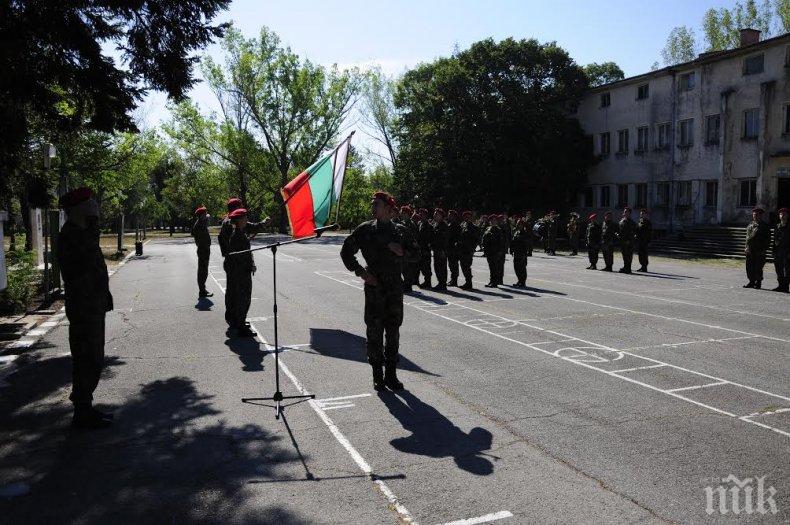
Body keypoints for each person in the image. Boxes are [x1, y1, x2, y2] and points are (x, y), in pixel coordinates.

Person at [340, 191, 419, 391]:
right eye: (373, 204)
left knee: (393, 331)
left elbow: (417, 254)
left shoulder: (401, 232)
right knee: (374, 331)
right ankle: (377, 375)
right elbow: (346, 251)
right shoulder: (365, 230)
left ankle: (391, 375)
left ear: (389, 209)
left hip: (394, 288)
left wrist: (402, 252)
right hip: (374, 287)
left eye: (377, 204)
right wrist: (361, 272)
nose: (373, 207)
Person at [57, 187, 114, 429]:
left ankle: (85, 408)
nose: (94, 205)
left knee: (93, 358)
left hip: (92, 305)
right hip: (84, 307)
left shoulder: (83, 231)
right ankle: (82, 412)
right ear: (78, 208)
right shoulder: (71, 236)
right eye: (89, 203)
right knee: (87, 359)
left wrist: (93, 221)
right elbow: (80, 271)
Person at [218, 198, 270, 331]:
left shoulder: (229, 221)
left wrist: (263, 223)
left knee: (232, 292)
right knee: (240, 294)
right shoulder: (231, 224)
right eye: (240, 206)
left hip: (232, 263)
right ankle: (238, 320)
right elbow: (242, 239)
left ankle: (234, 318)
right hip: (237, 264)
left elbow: (249, 227)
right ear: (236, 208)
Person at [225, 208, 257, 337]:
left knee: (240, 298)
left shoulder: (240, 233)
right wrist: (250, 265)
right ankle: (240, 326)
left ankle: (239, 322)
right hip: (241, 273)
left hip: (241, 271)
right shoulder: (237, 236)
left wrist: (251, 264)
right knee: (242, 299)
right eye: (244, 218)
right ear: (239, 220)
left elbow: (246, 253)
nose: (246, 220)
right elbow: (241, 256)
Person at [744, 207, 771, 289]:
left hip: (759, 249)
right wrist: (746, 247)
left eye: (757, 214)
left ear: (761, 215)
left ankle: (758, 282)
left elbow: (768, 239)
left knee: (758, 267)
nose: (755, 216)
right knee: (749, 266)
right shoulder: (750, 225)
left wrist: (764, 249)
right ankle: (751, 281)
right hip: (750, 249)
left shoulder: (764, 226)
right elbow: (747, 237)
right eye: (754, 214)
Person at [191, 206, 213, 298]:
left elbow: (208, 218)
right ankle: (202, 291)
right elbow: (195, 233)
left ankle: (202, 289)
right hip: (203, 250)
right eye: (204, 213)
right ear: (201, 215)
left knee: (203, 270)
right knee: (203, 271)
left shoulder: (201, 222)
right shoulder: (199, 225)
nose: (206, 215)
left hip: (204, 249)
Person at [398, 205, 418, 292]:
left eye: (403, 213)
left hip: (408, 250)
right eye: (401, 212)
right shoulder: (402, 223)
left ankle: (408, 286)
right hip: (403, 249)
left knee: (408, 269)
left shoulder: (411, 224)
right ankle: (406, 284)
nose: (401, 214)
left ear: (407, 214)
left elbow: (413, 239)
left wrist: (410, 250)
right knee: (403, 268)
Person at [482, 214, 505, 287]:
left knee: (495, 267)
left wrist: (500, 251)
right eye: (492, 221)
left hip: (495, 251)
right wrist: (484, 248)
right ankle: (492, 281)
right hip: (489, 251)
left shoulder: (498, 230)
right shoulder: (487, 229)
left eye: (494, 220)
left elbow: (501, 242)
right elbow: (484, 239)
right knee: (491, 267)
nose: (493, 222)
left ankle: (495, 282)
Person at [459, 210, 479, 290]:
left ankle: (469, 283)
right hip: (462, 249)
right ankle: (467, 282)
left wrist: (472, 249)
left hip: (468, 250)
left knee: (467, 266)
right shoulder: (463, 225)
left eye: (468, 216)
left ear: (471, 218)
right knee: (463, 266)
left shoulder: (473, 227)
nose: (466, 218)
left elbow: (476, 239)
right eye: (465, 216)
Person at [431, 208, 450, 291]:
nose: (434, 215)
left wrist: (443, 250)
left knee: (441, 267)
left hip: (441, 250)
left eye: (436, 214)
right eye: (434, 214)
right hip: (436, 249)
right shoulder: (436, 224)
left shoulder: (443, 225)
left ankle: (442, 284)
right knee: (437, 267)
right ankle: (440, 283)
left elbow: (445, 239)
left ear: (441, 216)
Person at [772, 207, 789, 292]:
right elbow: (775, 240)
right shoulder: (777, 226)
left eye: (784, 214)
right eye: (781, 214)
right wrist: (773, 251)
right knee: (778, 269)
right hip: (778, 252)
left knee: (787, 270)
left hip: (787, 252)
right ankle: (780, 285)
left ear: (787, 216)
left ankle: (786, 287)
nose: (782, 216)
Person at [416, 208, 433, 288]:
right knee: (421, 265)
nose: (420, 215)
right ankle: (426, 281)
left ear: (426, 215)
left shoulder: (428, 225)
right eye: (420, 214)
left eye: (422, 214)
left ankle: (428, 282)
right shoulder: (420, 223)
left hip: (425, 248)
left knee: (426, 266)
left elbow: (429, 238)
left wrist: (427, 248)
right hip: (420, 248)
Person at [510, 218, 529, 287]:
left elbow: (526, 244)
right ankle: (519, 280)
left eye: (520, 224)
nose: (519, 225)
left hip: (522, 253)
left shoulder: (525, 233)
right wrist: (511, 250)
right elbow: (513, 241)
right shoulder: (516, 232)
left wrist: (525, 254)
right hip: (516, 252)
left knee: (522, 268)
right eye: (518, 224)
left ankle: (523, 282)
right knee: (516, 267)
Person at [618, 207, 636, 274]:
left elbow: (633, 233)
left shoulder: (632, 223)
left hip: (629, 242)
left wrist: (629, 240)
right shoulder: (621, 221)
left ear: (630, 213)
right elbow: (619, 231)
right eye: (625, 212)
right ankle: (626, 267)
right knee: (624, 255)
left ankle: (628, 268)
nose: (625, 213)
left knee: (629, 255)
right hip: (622, 241)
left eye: (627, 212)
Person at [447, 209, 462, 287]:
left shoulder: (456, 225)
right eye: (449, 215)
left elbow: (459, 237)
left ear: (454, 216)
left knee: (454, 265)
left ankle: (454, 280)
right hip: (449, 248)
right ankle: (453, 279)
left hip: (454, 248)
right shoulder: (449, 224)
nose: (449, 216)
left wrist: (456, 247)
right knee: (451, 265)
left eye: (451, 215)